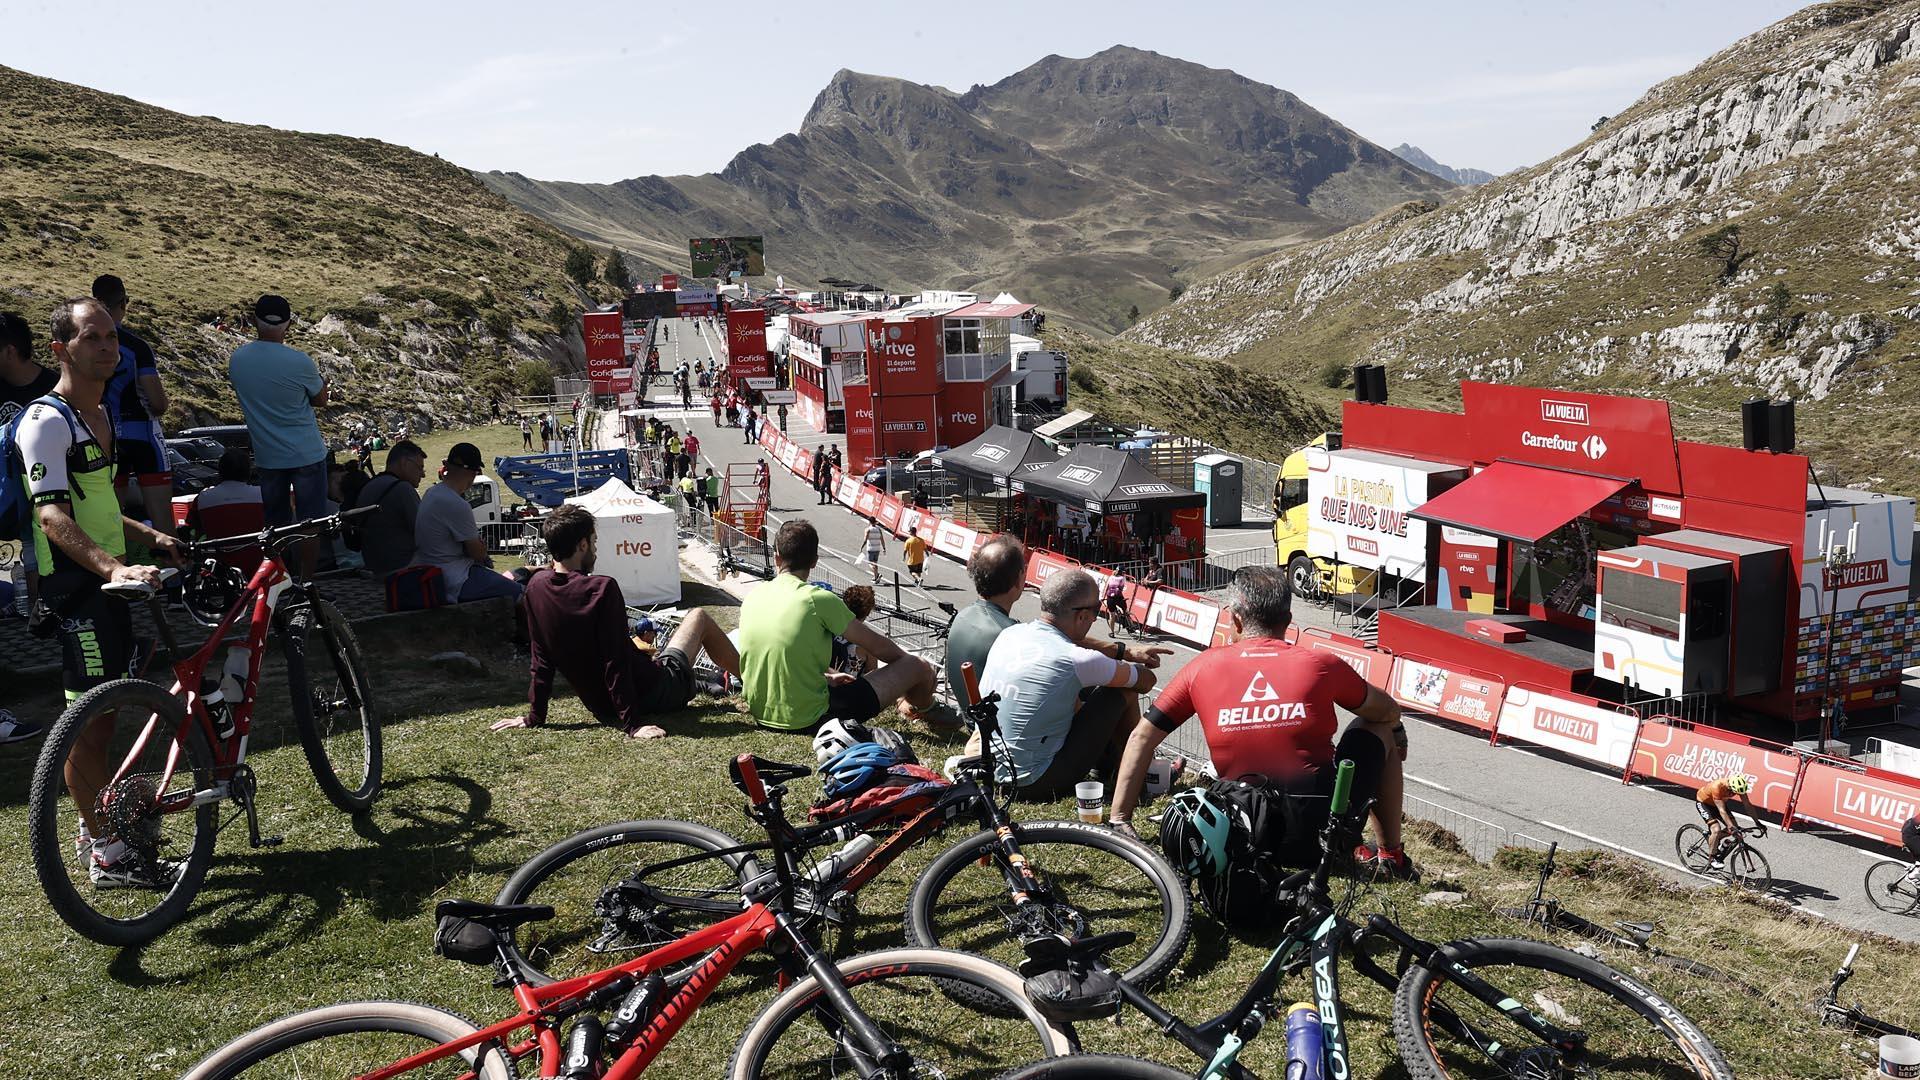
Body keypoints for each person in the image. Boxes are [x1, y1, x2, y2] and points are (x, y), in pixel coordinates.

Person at [16, 298, 185, 882]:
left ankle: (104, 832)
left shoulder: (101, 416)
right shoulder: (46, 421)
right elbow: (53, 518)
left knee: (106, 716)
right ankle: (107, 856)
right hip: (77, 588)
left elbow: (104, 509)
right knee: (89, 725)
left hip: (110, 583)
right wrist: (111, 569)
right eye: (93, 338)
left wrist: (152, 537)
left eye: (112, 336)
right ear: (61, 348)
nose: (108, 347)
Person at [1107, 566, 1414, 877]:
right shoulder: (1320, 664)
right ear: (1288, 622)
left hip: (1241, 833)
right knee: (1376, 726)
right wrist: (1397, 729)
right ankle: (1390, 856)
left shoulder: (1201, 668)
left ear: (1235, 620)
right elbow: (1386, 710)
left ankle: (1369, 850)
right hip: (1321, 836)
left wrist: (1120, 819)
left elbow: (1141, 738)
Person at [491, 504, 740, 739]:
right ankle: (756, 685)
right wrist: (632, 724)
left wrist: (535, 716)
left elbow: (541, 658)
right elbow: (615, 660)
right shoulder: (601, 588)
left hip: (602, 707)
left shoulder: (535, 588)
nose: (596, 550)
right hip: (655, 691)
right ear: (582, 544)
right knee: (699, 617)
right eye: (595, 542)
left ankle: (710, 685)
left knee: (660, 655)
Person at [736, 520, 942, 733]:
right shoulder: (817, 599)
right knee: (918, 665)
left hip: (761, 714)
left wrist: (826, 678)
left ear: (777, 557)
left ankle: (914, 705)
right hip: (812, 718)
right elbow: (879, 647)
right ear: (815, 561)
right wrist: (910, 669)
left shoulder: (754, 596)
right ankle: (927, 708)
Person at [979, 570, 1157, 800]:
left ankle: (1114, 765)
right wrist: (1128, 662)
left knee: (1080, 687)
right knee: (1123, 689)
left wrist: (1121, 652)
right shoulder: (1077, 659)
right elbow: (1145, 682)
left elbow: (1062, 640)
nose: (1095, 619)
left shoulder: (1010, 633)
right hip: (1034, 780)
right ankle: (1136, 776)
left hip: (990, 767)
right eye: (1096, 611)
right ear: (1082, 616)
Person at [228, 294, 327, 576]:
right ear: (288, 324)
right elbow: (320, 400)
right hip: (306, 453)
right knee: (310, 523)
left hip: (268, 456)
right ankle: (307, 585)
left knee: (276, 524)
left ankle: (278, 580)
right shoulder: (300, 361)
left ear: (253, 321)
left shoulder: (239, 360)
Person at [91, 276, 173, 534]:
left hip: (103, 436)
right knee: (163, 522)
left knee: (111, 522)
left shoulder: (85, 346)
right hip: (142, 434)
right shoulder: (137, 347)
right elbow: (158, 403)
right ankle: (175, 571)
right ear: (123, 303)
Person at [1, 311, 59, 645]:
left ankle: (47, 612)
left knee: (44, 554)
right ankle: (35, 613)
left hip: (49, 492)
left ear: (10, 350)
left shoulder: (51, 387)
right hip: (11, 493)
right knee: (27, 553)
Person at [415, 442, 522, 602]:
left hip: (431, 572)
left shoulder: (432, 493)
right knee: (520, 593)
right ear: (472, 472)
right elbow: (478, 553)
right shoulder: (455, 503)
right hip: (455, 577)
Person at [351, 439, 426, 579]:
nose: (423, 474)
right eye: (420, 467)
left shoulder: (370, 486)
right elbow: (424, 534)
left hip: (375, 566)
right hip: (402, 568)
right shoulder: (402, 489)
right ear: (405, 463)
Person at [187, 447, 266, 576]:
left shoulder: (203, 497)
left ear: (220, 471)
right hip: (258, 562)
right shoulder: (262, 494)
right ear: (248, 471)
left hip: (219, 565)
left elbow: (193, 529)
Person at [1696, 773, 1758, 871]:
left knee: (1735, 829)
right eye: (1734, 791)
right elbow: (1722, 811)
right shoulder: (1717, 786)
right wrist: (1731, 828)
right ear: (1730, 786)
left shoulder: (1738, 787)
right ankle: (1711, 859)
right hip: (1704, 803)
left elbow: (1747, 805)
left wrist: (1757, 822)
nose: (1735, 794)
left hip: (1719, 804)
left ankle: (1715, 841)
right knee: (1716, 829)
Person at [1102, 569, 1130, 636]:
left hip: (1110, 597)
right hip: (1118, 596)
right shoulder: (1122, 578)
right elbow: (1122, 587)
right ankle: (1129, 625)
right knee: (1125, 610)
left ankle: (1112, 632)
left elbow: (1107, 587)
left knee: (1112, 615)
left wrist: (1103, 596)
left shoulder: (1111, 577)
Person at [862, 516, 887, 584]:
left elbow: (865, 539)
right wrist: (884, 548)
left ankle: (877, 575)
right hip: (877, 548)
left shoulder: (868, 529)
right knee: (875, 563)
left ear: (869, 522)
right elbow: (882, 539)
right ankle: (875, 577)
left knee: (870, 563)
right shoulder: (879, 529)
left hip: (870, 548)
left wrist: (861, 547)